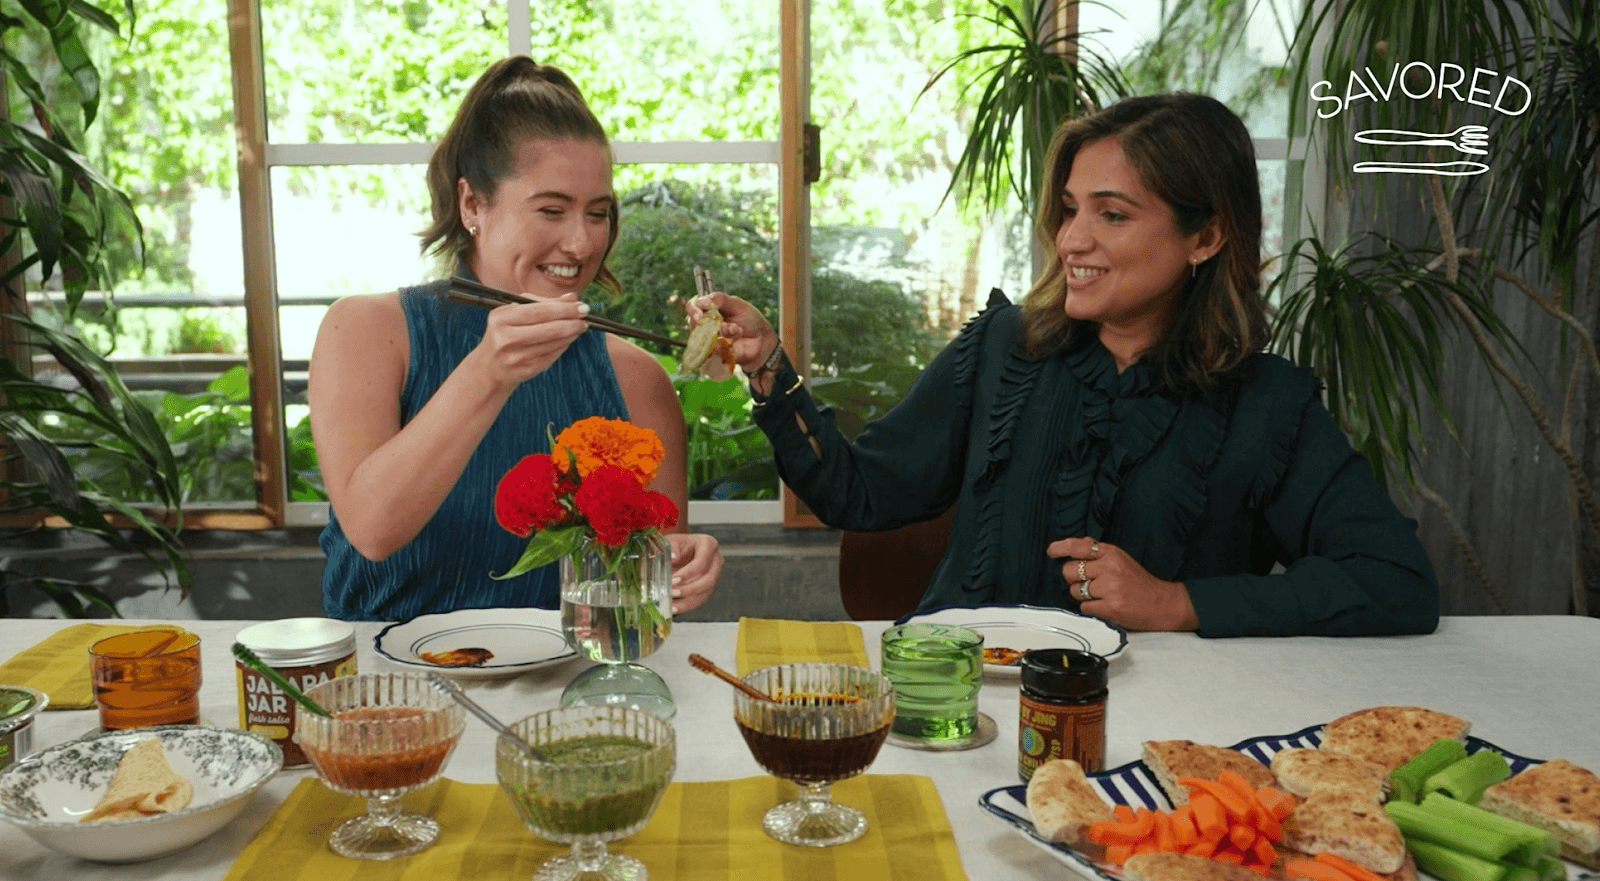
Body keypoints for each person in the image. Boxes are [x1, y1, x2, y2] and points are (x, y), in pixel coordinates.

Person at [690, 92, 1438, 637]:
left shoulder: (1268, 403)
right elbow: (857, 493)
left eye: (1111, 214)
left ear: (1205, 236)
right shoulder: (1000, 348)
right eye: (1072, 208)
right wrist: (769, 370)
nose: (1071, 239)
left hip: (1156, 726)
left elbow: (1396, 582)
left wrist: (1176, 603)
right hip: (959, 705)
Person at [311, 56, 723, 621]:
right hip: (387, 690)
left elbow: (638, 588)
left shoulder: (636, 378)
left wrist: (677, 565)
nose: (581, 243)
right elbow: (373, 531)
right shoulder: (366, 331)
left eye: (598, 213)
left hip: (567, 687)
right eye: (552, 210)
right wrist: (487, 372)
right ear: (472, 204)